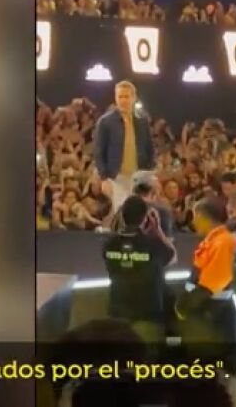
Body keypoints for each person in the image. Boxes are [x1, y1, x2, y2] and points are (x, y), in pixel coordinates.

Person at [103, 195, 177, 344]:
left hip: (118, 311)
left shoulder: (109, 244)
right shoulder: (152, 244)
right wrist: (158, 231)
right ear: (145, 218)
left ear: (122, 217)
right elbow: (172, 257)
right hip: (147, 314)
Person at [94, 81, 155, 211]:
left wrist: (150, 172)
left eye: (126, 96)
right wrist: (104, 178)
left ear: (133, 97)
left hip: (138, 175)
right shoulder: (105, 122)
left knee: (139, 212)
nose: (123, 100)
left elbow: (149, 146)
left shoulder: (142, 120)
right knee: (121, 211)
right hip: (116, 176)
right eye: (120, 97)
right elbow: (99, 152)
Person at [175, 198, 236, 320]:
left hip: (212, 311)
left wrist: (186, 303)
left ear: (203, 217)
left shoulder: (222, 242)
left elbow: (216, 280)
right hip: (204, 307)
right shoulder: (213, 240)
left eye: (195, 217)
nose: (193, 222)